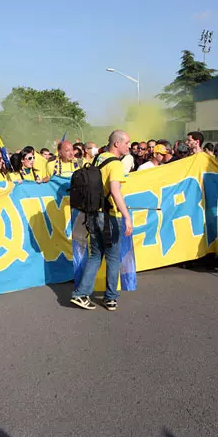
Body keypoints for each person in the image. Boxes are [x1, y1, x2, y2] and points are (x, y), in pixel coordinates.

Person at [71, 130, 133, 312]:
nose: (129, 146)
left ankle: (81, 294)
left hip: (93, 213)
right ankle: (110, 298)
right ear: (117, 144)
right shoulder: (115, 164)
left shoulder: (98, 159)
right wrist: (127, 216)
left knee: (96, 255)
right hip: (109, 216)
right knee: (113, 258)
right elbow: (115, 191)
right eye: (127, 142)